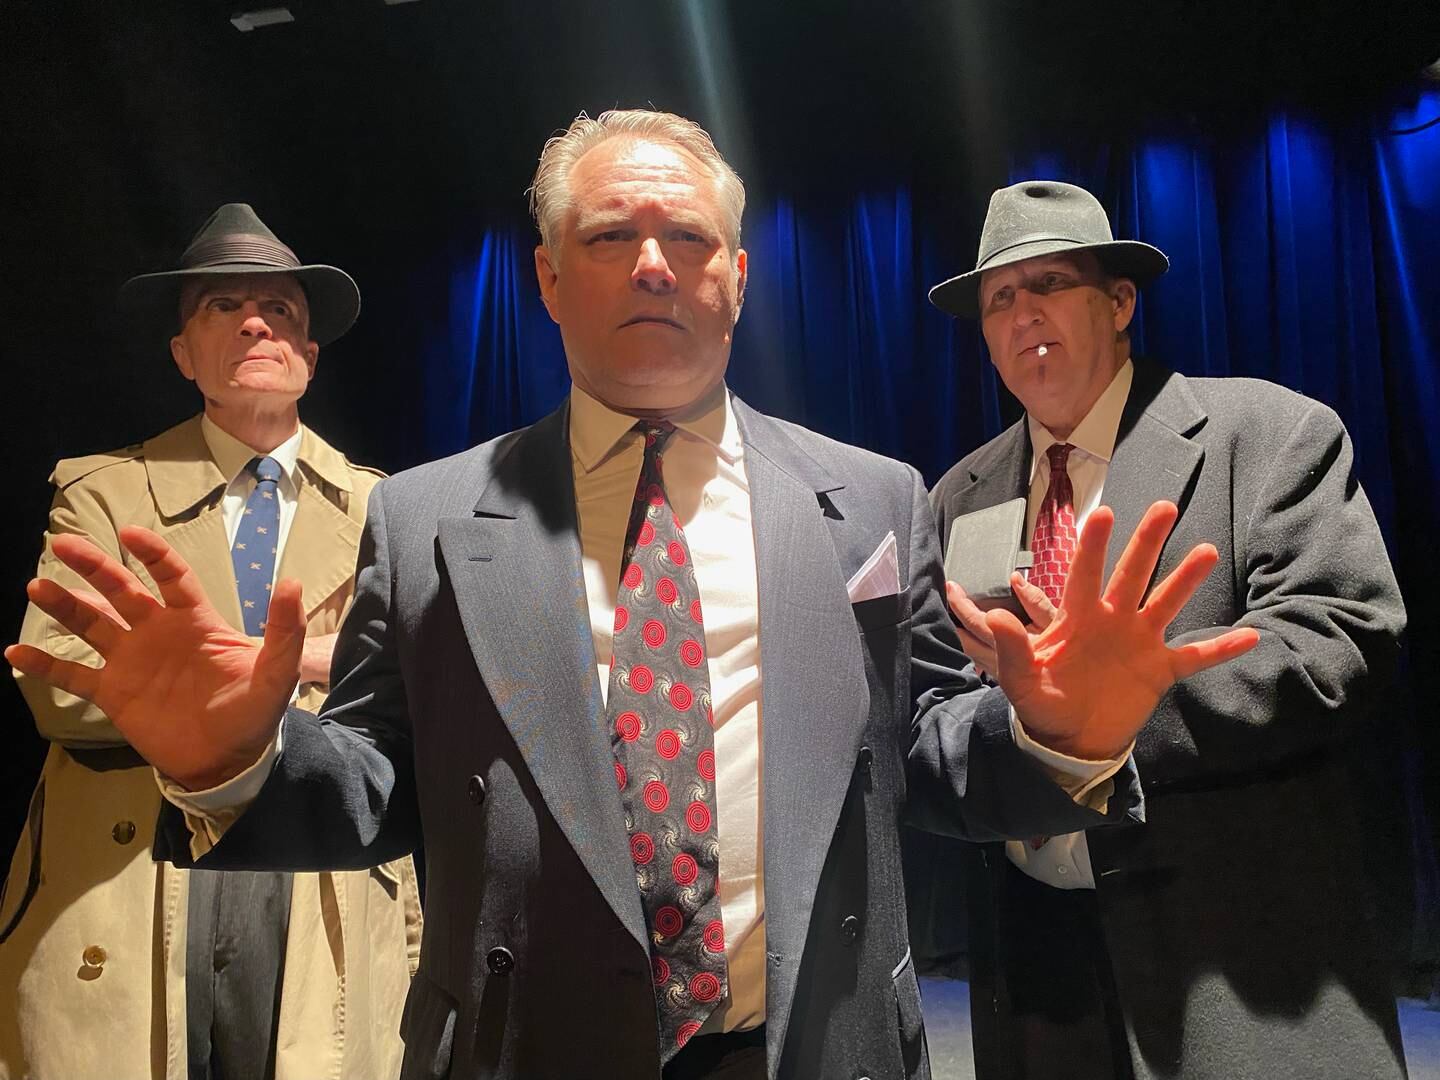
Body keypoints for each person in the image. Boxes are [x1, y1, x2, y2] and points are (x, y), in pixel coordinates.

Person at [7, 116, 1255, 1080]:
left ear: (739, 276)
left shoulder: (871, 499)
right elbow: (385, 788)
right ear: (549, 278)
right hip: (524, 1046)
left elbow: (924, 758)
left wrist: (1062, 737)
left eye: (689, 239)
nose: (653, 263)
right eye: (609, 237)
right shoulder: (427, 515)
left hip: (815, 1044)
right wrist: (237, 761)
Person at [925, 179, 1408, 1080]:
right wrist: (1019, 731)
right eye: (999, 299)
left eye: (1051, 283)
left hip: (1237, 955)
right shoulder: (960, 496)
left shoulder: (1265, 435)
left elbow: (1343, 636)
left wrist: (1113, 713)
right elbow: (943, 703)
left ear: (1119, 304)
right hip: (1038, 971)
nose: (1023, 311)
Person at [0, 204, 422, 1080]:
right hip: (136, 871)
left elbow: (416, 694)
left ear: (309, 353)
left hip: (319, 879)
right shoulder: (104, 493)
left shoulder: (395, 510)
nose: (258, 321)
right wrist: (308, 662)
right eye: (222, 306)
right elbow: (64, 685)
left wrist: (245, 667)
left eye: (284, 311)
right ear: (183, 354)